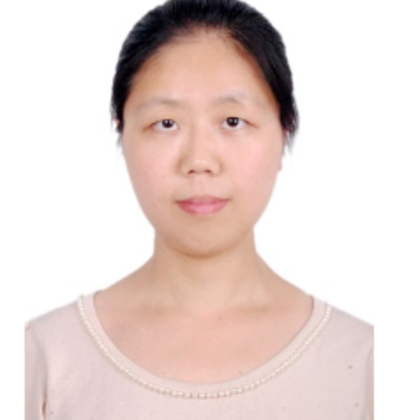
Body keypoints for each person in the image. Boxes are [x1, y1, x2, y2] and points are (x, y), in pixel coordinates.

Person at [25, 0, 373, 418]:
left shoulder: (363, 362)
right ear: (122, 130)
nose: (199, 160)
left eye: (232, 121)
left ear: (284, 131)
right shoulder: (45, 355)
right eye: (166, 123)